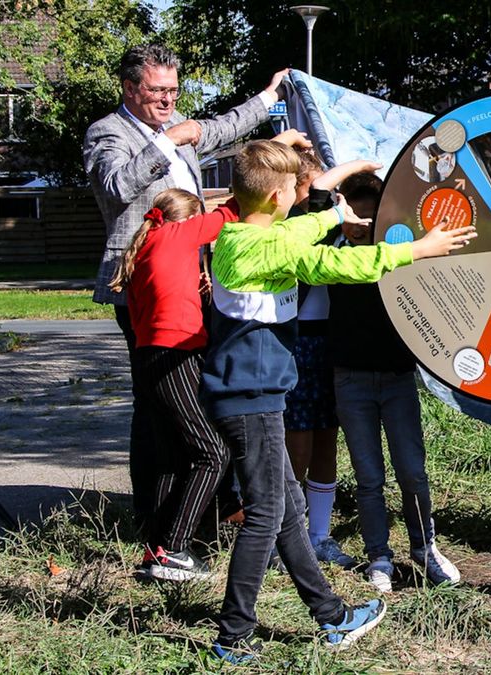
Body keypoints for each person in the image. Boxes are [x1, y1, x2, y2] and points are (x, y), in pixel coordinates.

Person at [201, 140, 475, 660]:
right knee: (265, 514)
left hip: (256, 395)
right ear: (280, 195)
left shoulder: (244, 233)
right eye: (297, 193)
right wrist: (417, 249)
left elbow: (302, 226)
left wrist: (335, 201)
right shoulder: (264, 249)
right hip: (249, 399)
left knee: (286, 511)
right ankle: (232, 638)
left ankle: (331, 616)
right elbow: (335, 265)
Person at [83, 42, 288, 527]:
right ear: (130, 88)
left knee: (192, 399)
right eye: (158, 91)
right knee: (155, 401)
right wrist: (167, 142)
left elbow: (222, 128)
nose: (169, 100)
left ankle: (198, 505)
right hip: (142, 287)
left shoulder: (177, 125)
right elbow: (115, 185)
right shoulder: (107, 132)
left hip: (194, 285)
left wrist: (268, 97)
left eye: (174, 90)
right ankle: (154, 514)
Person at [328, 172, 461, 593]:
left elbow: (441, 227)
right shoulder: (331, 255)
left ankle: (424, 548)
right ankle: (379, 557)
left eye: (374, 222)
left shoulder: (402, 251)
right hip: (350, 379)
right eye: (358, 221)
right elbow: (312, 205)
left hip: (398, 379)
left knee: (412, 471)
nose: (366, 231)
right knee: (369, 477)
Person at [107, 188, 241, 581]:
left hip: (151, 357)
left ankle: (156, 544)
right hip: (174, 356)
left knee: (171, 456)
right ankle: (173, 549)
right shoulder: (175, 234)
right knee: (213, 453)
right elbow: (231, 213)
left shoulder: (149, 242)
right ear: (188, 219)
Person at [283, 152, 374, 569]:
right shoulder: (292, 226)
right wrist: (357, 164)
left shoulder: (337, 218)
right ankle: (291, 538)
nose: (329, 193)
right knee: (296, 443)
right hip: (297, 342)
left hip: (331, 342)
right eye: (316, 186)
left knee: (326, 439)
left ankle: (319, 535)